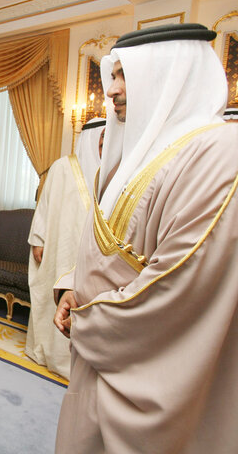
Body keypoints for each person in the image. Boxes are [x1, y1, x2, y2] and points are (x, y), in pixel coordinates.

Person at [52, 23, 238, 453]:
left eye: (123, 77)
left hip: (141, 357)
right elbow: (101, 242)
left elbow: (179, 284)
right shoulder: (136, 156)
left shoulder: (220, 155)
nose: (111, 90)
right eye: (111, 76)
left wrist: (88, 317)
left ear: (169, 75)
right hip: (101, 346)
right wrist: (71, 288)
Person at [25, 118, 104, 379]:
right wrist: (39, 238)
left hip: (97, 254)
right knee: (58, 298)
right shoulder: (62, 167)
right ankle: (55, 356)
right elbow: (44, 206)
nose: (104, 147)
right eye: (100, 141)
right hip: (62, 247)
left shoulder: (116, 170)